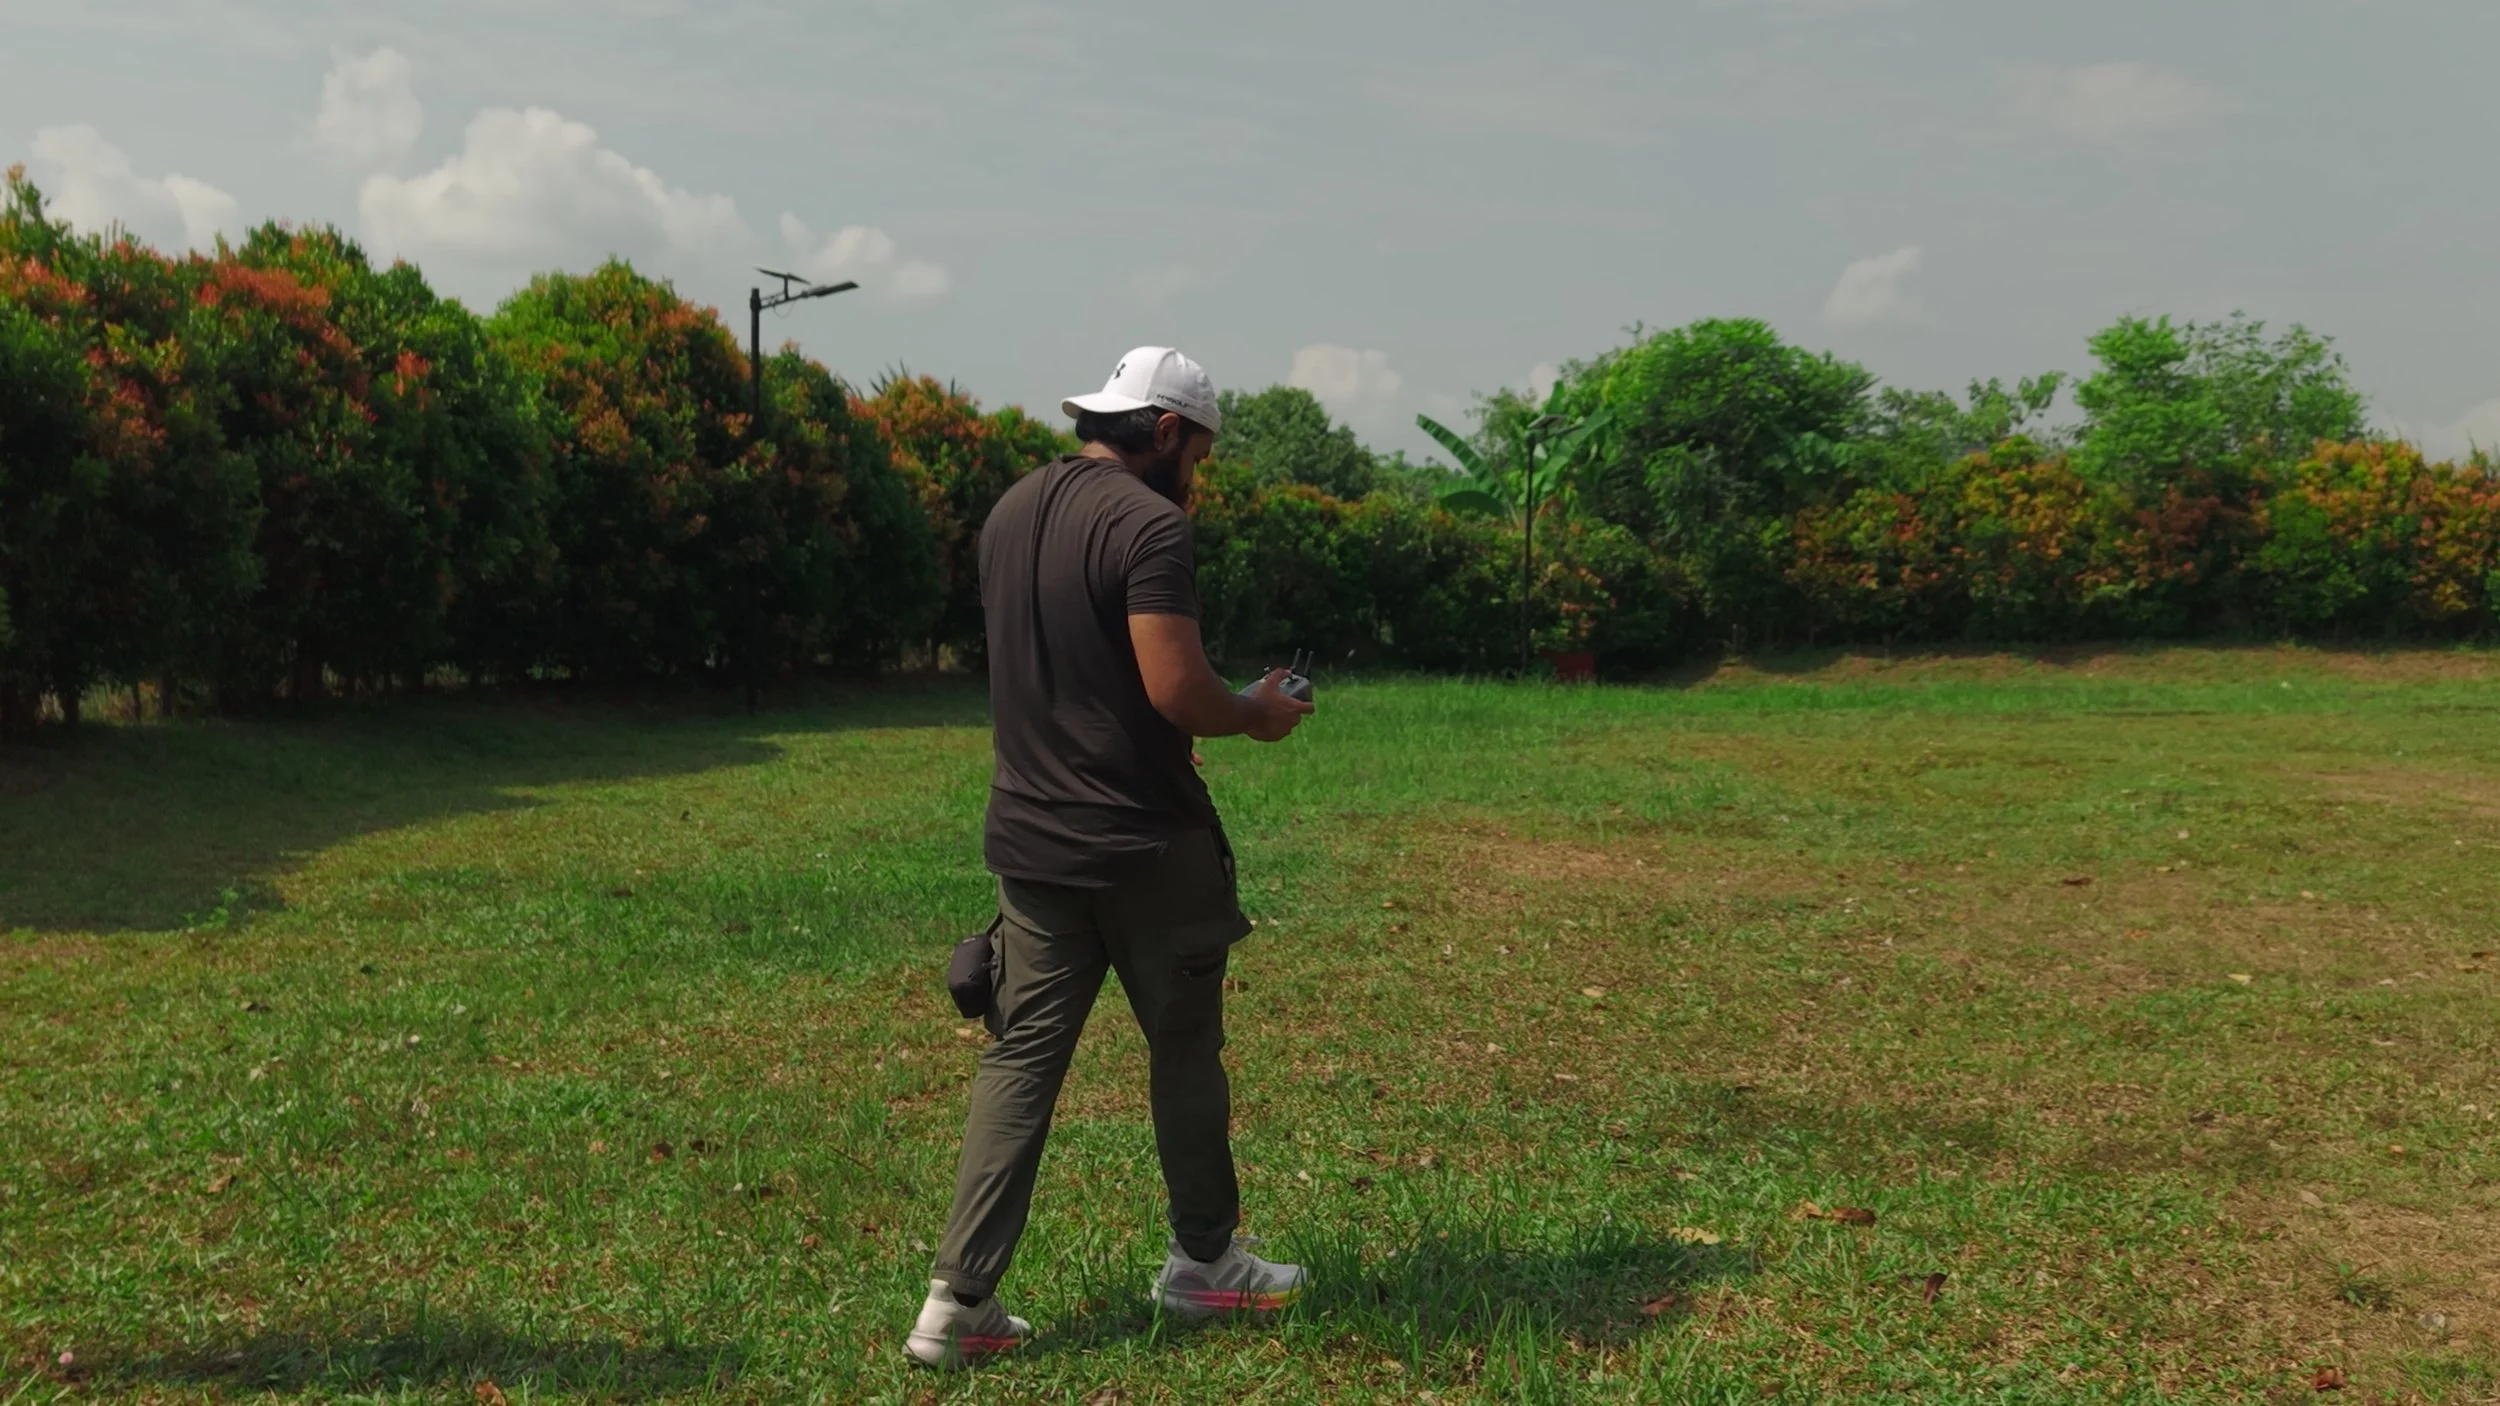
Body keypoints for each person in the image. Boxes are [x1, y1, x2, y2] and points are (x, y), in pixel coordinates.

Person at [904, 347, 1318, 1370]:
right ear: (1168, 431)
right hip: (1141, 840)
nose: (1199, 477)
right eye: (1202, 455)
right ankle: (1206, 1262)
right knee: (1182, 1049)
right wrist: (1259, 712)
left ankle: (955, 1301)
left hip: (1032, 841)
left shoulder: (1010, 511)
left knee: (1019, 1059)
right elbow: (1177, 688)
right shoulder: (1149, 524)